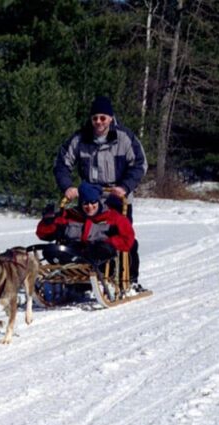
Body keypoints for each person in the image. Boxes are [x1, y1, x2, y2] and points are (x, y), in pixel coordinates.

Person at [53, 95, 147, 290]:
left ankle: (128, 279)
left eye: (103, 118)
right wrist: (67, 186)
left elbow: (139, 164)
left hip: (117, 196)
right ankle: (81, 277)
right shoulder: (79, 139)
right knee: (81, 236)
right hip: (90, 196)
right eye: (95, 118)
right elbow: (62, 163)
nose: (99, 122)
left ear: (110, 118)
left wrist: (124, 187)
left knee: (121, 238)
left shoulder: (125, 138)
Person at [36, 182, 135, 266]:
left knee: (104, 251)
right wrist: (48, 221)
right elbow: (42, 233)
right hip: (72, 254)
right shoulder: (70, 215)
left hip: (100, 259)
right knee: (50, 250)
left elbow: (128, 239)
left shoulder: (113, 217)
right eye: (85, 203)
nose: (90, 206)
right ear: (80, 203)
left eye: (93, 202)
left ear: (98, 201)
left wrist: (109, 243)